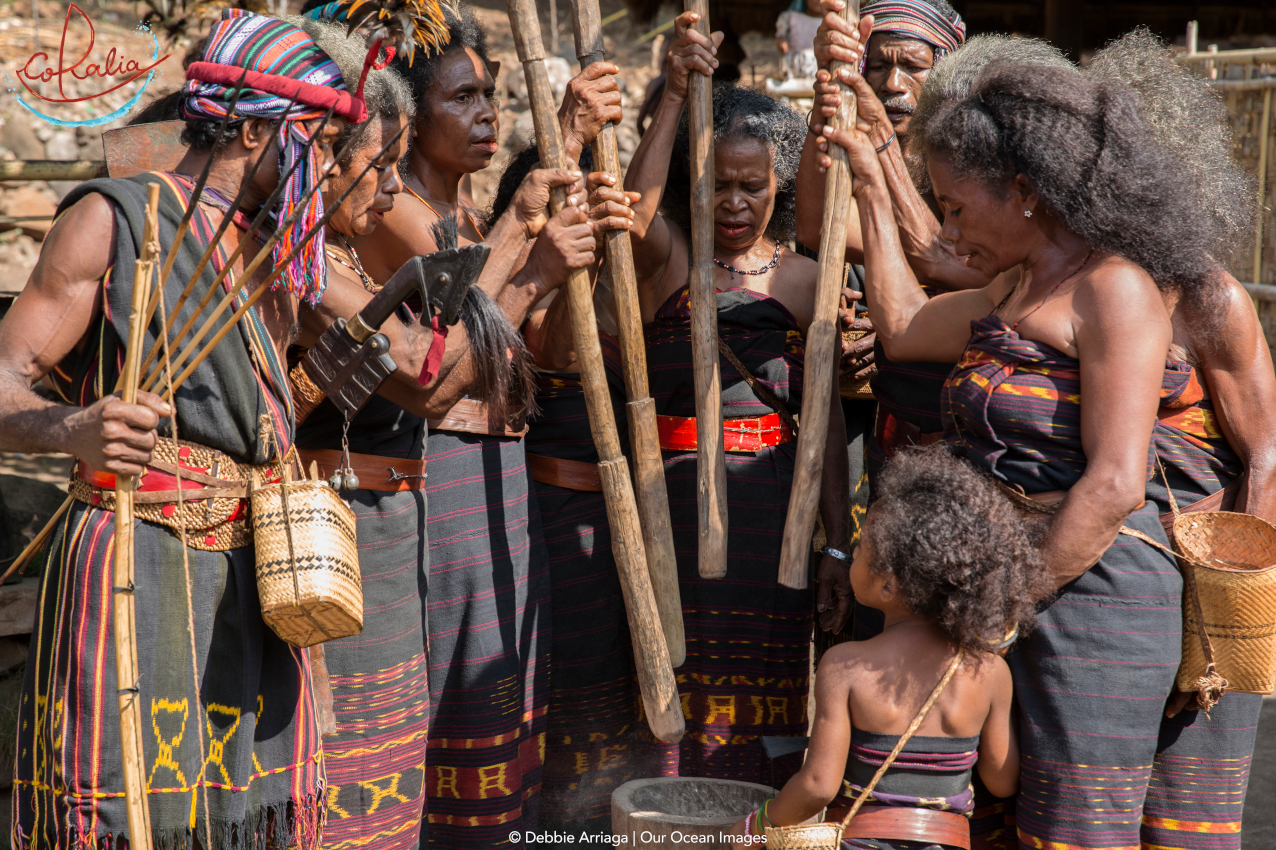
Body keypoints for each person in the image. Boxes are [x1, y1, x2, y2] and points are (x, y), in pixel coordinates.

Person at [822, 45, 1232, 849]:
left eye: (955, 207)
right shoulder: (1015, 286)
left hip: (1097, 606)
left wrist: (997, 608)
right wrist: (869, 173)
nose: (945, 229)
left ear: (1024, 192)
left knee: (1075, 833)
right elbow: (904, 329)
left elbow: (1113, 483)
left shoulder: (1115, 290)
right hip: (1017, 598)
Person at [0, 10, 356, 847]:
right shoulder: (112, 220)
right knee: (126, 812)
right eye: (317, 141)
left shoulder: (279, 249)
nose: (330, 167)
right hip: (137, 557)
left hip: (260, 573)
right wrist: (73, 429)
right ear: (253, 129)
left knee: (245, 814)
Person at [622, 11, 852, 784]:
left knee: (766, 720)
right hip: (675, 521)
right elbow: (631, 218)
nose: (733, 203)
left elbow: (827, 425)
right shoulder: (667, 266)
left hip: (771, 531)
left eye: (752, 186)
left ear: (778, 186)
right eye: (717, 184)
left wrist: (836, 545)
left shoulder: (804, 281)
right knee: (671, 709)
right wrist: (676, 94)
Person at [1086, 30, 1276, 849]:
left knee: (1188, 831)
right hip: (1106, 609)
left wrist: (1217, 631)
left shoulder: (1210, 298)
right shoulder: (1069, 286)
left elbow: (1267, 455)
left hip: (1209, 604)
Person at [730, 447, 1047, 847]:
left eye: (860, 550)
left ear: (889, 584)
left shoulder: (844, 666)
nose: (853, 557)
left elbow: (816, 786)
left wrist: (750, 829)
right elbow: (1002, 781)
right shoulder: (989, 672)